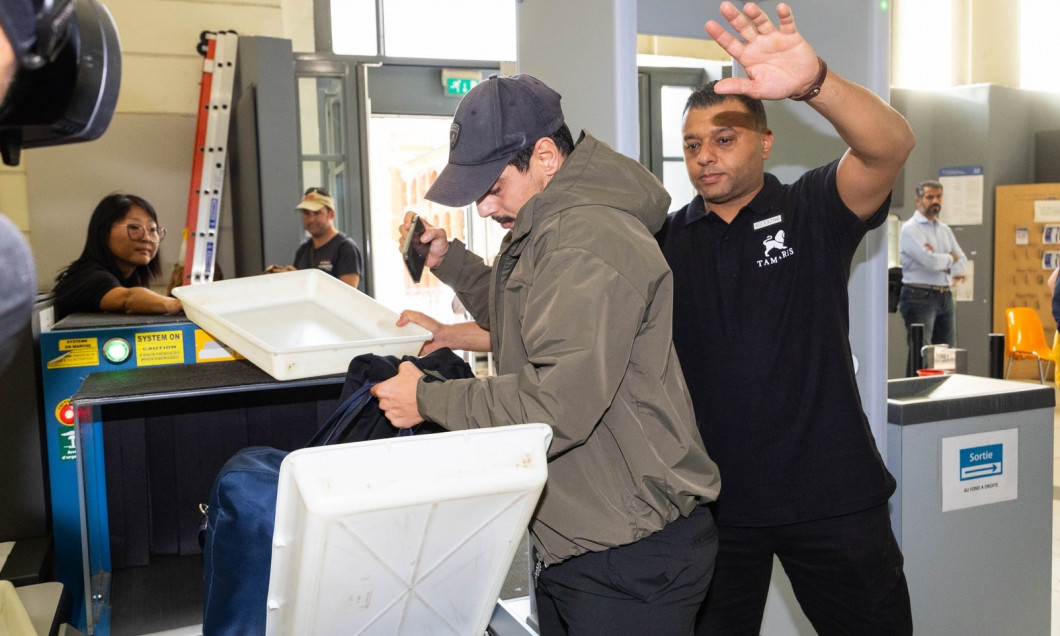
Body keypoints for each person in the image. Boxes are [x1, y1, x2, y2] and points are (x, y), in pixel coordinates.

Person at [370, 73, 721, 635]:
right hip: (588, 537)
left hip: (628, 553)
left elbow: (556, 404)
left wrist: (429, 399)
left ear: (546, 157)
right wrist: (450, 261)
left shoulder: (588, 240)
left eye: (492, 188)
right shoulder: (551, 228)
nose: (483, 208)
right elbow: (522, 317)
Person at [655, 3, 915, 634]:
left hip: (832, 496)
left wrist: (813, 83)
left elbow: (890, 147)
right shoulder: (662, 243)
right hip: (715, 506)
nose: (705, 157)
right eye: (692, 145)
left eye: (724, 138)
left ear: (765, 141)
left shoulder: (811, 210)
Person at [53, 193, 182, 321]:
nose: (146, 238)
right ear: (104, 233)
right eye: (134, 227)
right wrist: (173, 304)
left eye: (152, 230)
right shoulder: (90, 278)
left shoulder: (129, 279)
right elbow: (128, 299)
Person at [898, 179, 967, 375]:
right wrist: (949, 259)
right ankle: (914, 400)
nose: (935, 201)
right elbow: (931, 263)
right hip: (918, 296)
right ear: (918, 200)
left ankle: (941, 401)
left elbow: (962, 263)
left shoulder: (944, 230)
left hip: (945, 295)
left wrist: (941, 259)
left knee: (946, 354)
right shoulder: (910, 229)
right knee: (921, 352)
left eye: (938, 196)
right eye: (930, 197)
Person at [265, 187, 363, 288]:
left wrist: (300, 280)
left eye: (317, 213)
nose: (311, 219)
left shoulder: (345, 248)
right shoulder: (303, 250)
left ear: (331, 214)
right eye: (306, 213)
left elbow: (347, 295)